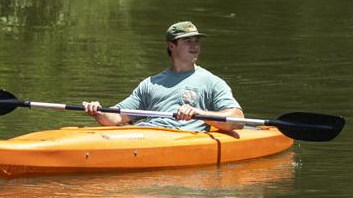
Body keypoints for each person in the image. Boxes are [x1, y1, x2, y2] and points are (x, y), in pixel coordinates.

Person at [82, 21, 244, 133]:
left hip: (181, 138)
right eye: (188, 41)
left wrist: (198, 112)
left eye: (197, 41)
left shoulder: (212, 82)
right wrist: (98, 112)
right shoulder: (150, 84)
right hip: (148, 133)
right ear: (171, 46)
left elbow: (237, 119)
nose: (195, 46)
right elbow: (117, 117)